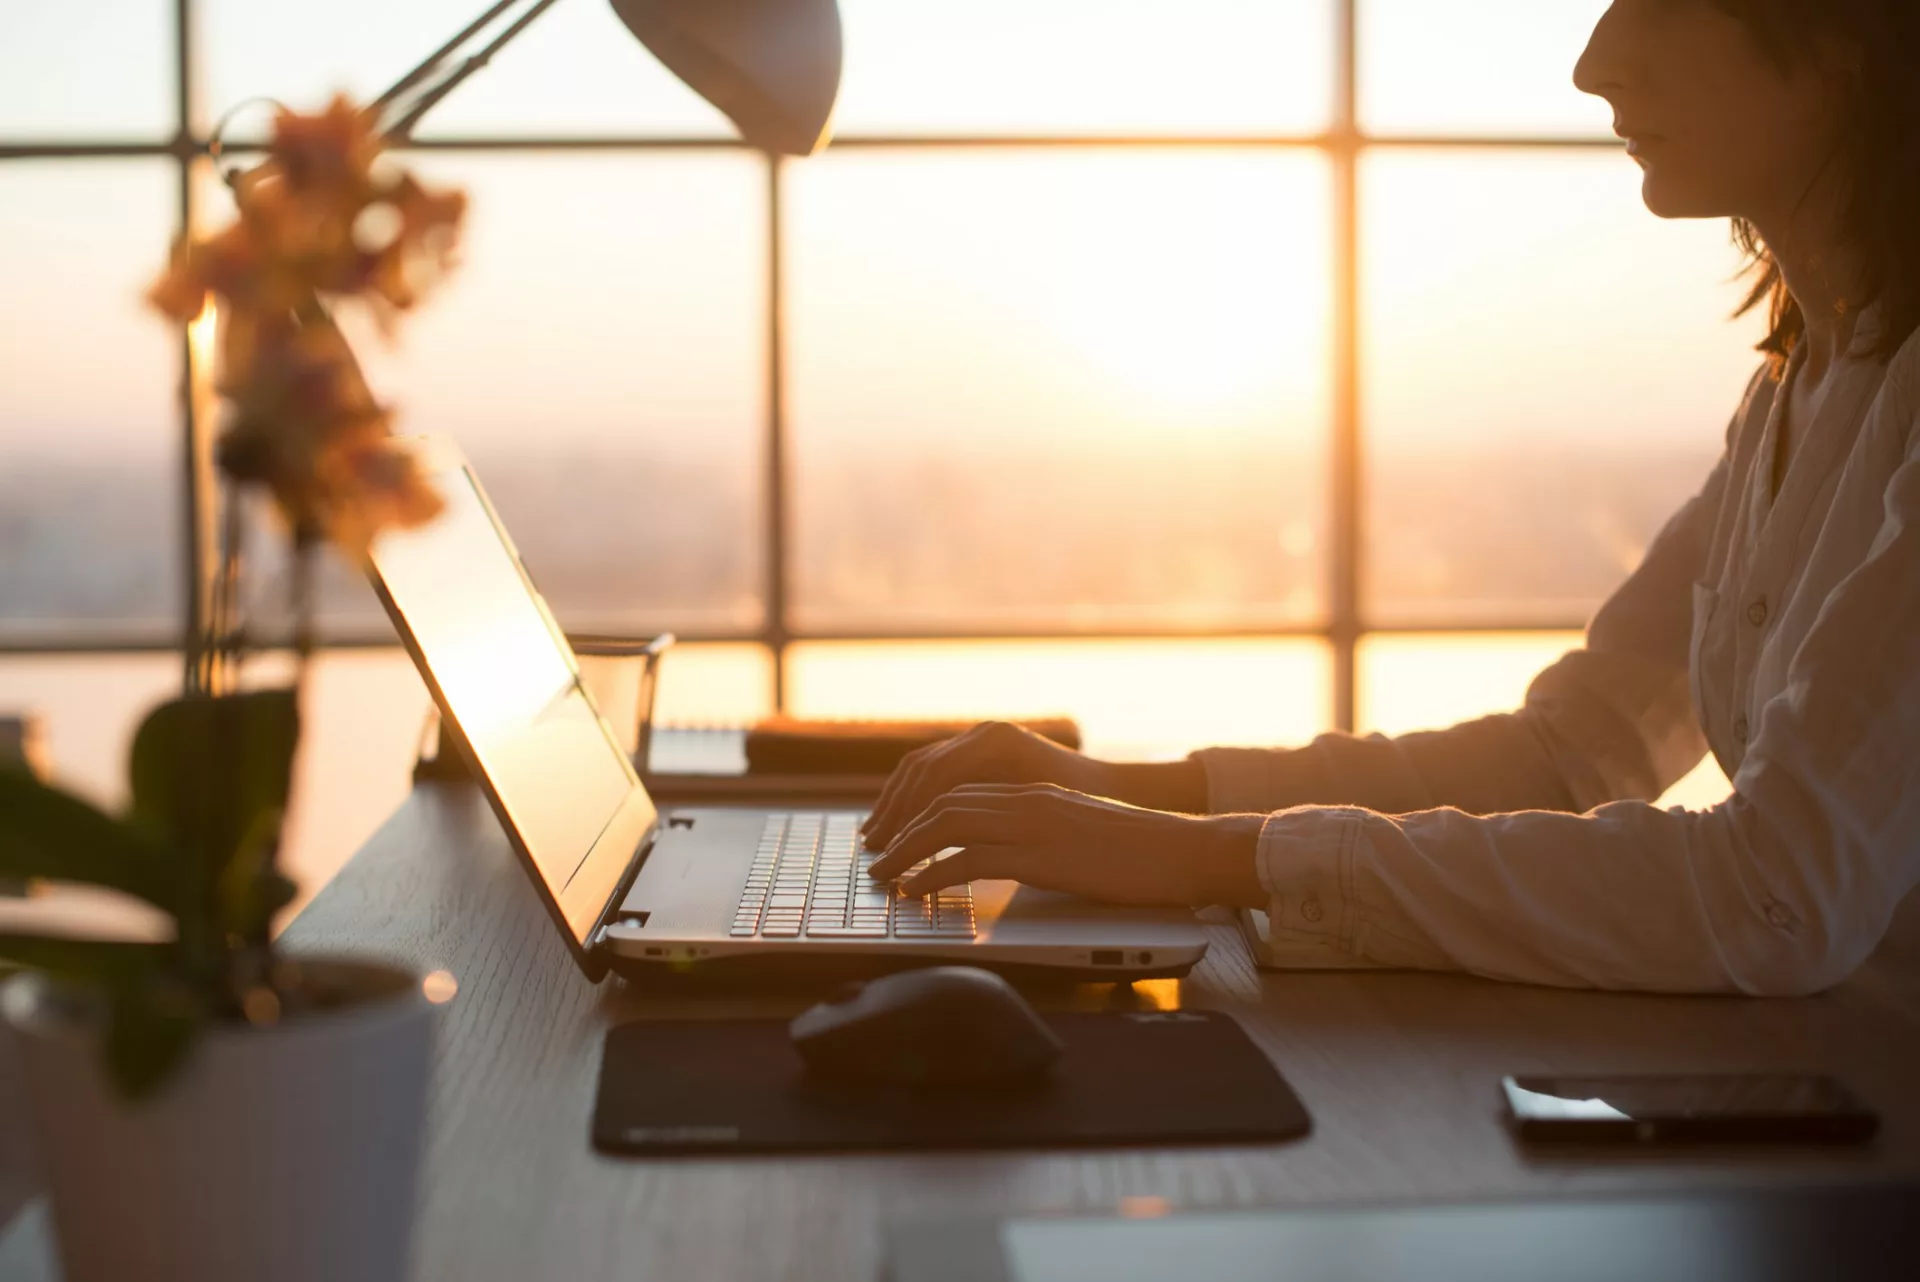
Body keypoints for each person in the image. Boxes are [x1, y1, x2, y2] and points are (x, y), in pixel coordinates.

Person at [861, 0, 1920, 996]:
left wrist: (1203, 855)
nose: (1596, 63)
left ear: (1843, 33)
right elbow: (1566, 754)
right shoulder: (1799, 383)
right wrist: (1131, 792)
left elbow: (1778, 891)